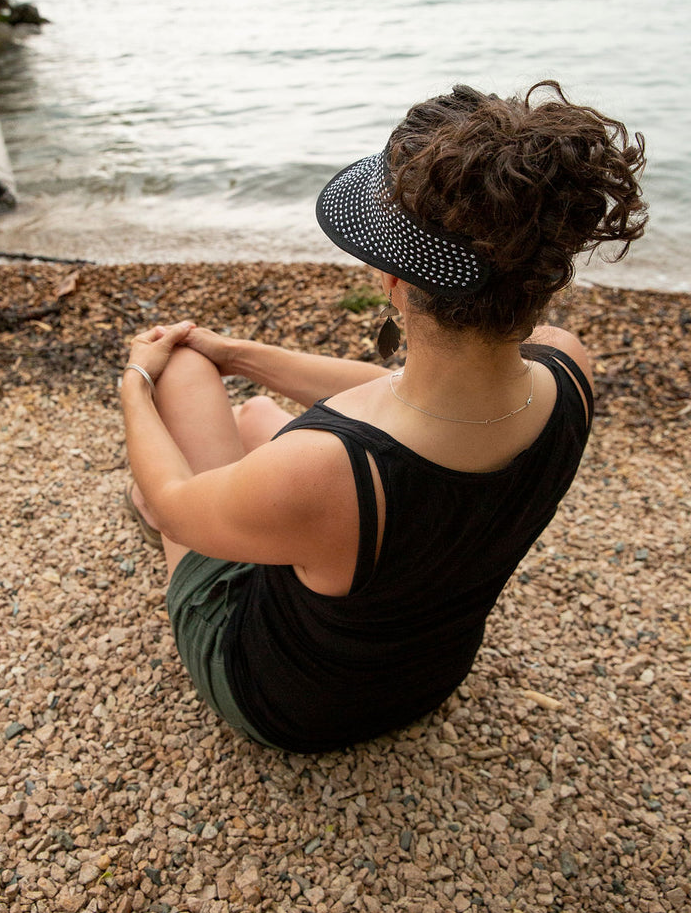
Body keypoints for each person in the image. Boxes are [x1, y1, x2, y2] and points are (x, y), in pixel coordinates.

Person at [120, 81, 647, 754]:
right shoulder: (567, 371)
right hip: (426, 677)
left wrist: (137, 381)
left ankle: (203, 516)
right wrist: (240, 356)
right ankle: (262, 510)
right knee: (253, 412)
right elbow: (402, 398)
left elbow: (176, 505)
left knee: (182, 379)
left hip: (286, 706)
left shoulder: (331, 470)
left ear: (394, 281)